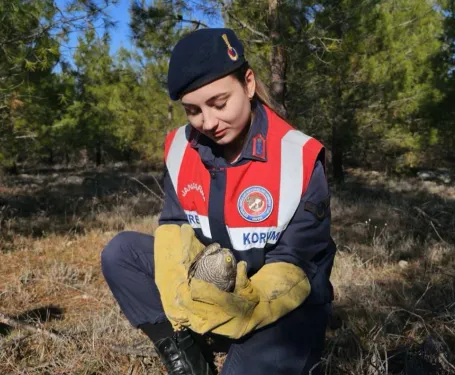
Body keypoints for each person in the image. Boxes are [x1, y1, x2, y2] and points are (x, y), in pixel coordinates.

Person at [100, 27, 337, 375]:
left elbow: (297, 263)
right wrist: (181, 306)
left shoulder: (298, 156)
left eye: (219, 103)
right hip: (213, 287)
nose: (208, 122)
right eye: (193, 110)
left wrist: (247, 308)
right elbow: (174, 228)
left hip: (280, 308)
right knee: (121, 253)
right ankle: (187, 358)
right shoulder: (182, 148)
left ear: (249, 83)